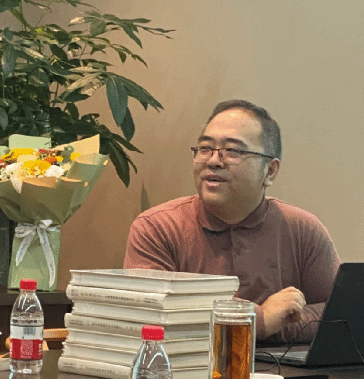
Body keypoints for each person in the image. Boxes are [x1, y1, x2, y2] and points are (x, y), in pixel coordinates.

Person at [124, 100, 340, 344]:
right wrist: (259, 320)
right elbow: (149, 316)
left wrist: (273, 324)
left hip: (281, 369)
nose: (213, 161)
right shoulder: (157, 227)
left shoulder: (303, 229)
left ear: (270, 171)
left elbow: (340, 315)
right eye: (205, 148)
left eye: (233, 151)